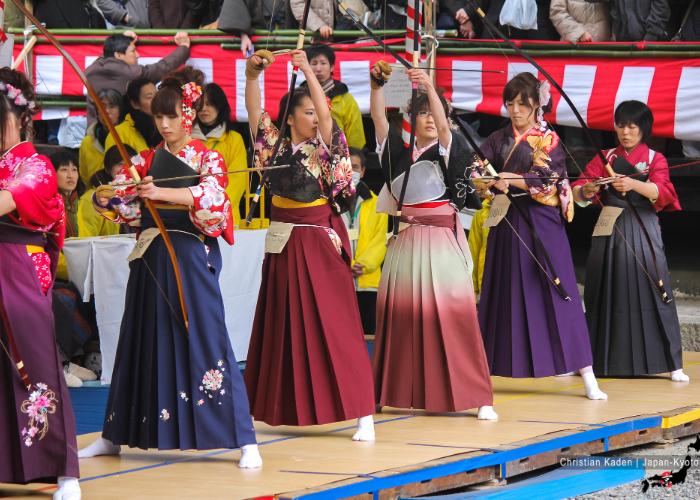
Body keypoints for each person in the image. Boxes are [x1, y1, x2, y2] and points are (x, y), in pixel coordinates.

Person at [77, 72, 262, 468]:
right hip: (152, 256)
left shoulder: (208, 156)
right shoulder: (144, 159)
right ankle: (114, 435)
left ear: (188, 116)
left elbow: (215, 201)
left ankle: (244, 437)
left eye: (172, 116)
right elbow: (126, 206)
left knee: (207, 337)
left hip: (191, 255)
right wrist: (109, 197)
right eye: (159, 117)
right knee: (137, 340)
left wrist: (161, 192)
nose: (164, 124)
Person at [243, 49, 376, 440]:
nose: (315, 118)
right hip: (283, 242)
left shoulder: (326, 148)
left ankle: (362, 410)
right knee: (282, 325)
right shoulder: (273, 146)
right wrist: (253, 76)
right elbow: (254, 113)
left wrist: (308, 73)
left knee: (334, 326)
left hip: (318, 241)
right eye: (307, 113)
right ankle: (277, 407)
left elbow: (329, 117)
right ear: (289, 118)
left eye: (316, 113)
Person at [368, 61, 496, 419]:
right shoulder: (398, 152)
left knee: (455, 318)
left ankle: (479, 396)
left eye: (432, 113)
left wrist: (428, 86)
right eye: (420, 113)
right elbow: (379, 122)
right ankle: (390, 390)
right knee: (401, 320)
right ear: (410, 118)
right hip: (406, 242)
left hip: (440, 241)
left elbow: (443, 126)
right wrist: (376, 86)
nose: (428, 119)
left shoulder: (445, 149)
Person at [476, 72, 607, 400]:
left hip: (541, 222)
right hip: (508, 223)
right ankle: (481, 372)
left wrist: (511, 178)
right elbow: (477, 170)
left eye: (523, 103)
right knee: (500, 293)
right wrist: (491, 181)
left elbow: (547, 177)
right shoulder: (497, 138)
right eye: (510, 102)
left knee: (559, 291)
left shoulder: (547, 139)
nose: (516, 109)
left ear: (537, 105)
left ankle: (586, 372)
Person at [0, 67, 81, 500]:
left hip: (17, 264)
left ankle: (63, 469)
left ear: (20, 120)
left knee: (38, 364)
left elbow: (12, 199)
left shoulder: (37, 164)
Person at [572, 100, 688, 382]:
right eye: (621, 125)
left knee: (654, 286)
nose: (626, 132)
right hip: (609, 225)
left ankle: (671, 363)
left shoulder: (654, 158)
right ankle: (590, 360)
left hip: (641, 226)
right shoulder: (605, 157)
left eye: (632, 126)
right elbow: (578, 191)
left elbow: (662, 191)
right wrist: (587, 189)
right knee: (601, 288)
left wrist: (633, 183)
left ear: (643, 129)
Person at [85, 31, 191, 125]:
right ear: (118, 55)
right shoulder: (130, 74)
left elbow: (107, 54)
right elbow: (162, 67)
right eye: (133, 51)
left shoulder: (91, 70)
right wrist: (184, 47)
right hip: (119, 138)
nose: (137, 55)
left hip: (93, 135)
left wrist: (122, 39)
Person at [342, 147, 388, 335]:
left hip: (368, 281)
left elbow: (380, 241)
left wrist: (363, 265)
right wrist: (347, 264)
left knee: (369, 336)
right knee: (343, 336)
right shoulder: (330, 203)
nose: (351, 171)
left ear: (363, 171)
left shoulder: (377, 203)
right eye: (347, 166)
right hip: (340, 280)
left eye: (355, 167)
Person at [193, 83, 248, 226]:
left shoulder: (234, 139)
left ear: (221, 106)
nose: (204, 109)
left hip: (224, 215)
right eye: (200, 104)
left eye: (210, 104)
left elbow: (238, 180)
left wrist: (214, 207)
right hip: (191, 214)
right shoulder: (185, 138)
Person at [303, 44, 366, 149]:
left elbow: (355, 135)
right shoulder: (299, 97)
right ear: (307, 67)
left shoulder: (346, 99)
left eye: (323, 63)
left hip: (339, 156)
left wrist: (352, 156)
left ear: (332, 67)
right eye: (314, 63)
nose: (318, 69)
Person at [78, 145, 136, 238]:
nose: (126, 169)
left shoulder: (140, 197)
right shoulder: (92, 199)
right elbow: (87, 241)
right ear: (108, 169)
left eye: (130, 165)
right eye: (120, 164)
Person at [79, 88, 125, 186]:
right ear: (96, 111)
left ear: (120, 110)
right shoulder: (87, 142)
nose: (107, 111)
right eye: (102, 106)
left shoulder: (130, 136)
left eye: (112, 106)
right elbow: (84, 176)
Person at [104, 78, 160, 154]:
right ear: (135, 104)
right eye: (149, 97)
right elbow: (113, 164)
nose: (157, 100)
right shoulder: (118, 134)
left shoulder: (164, 127)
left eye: (157, 95)